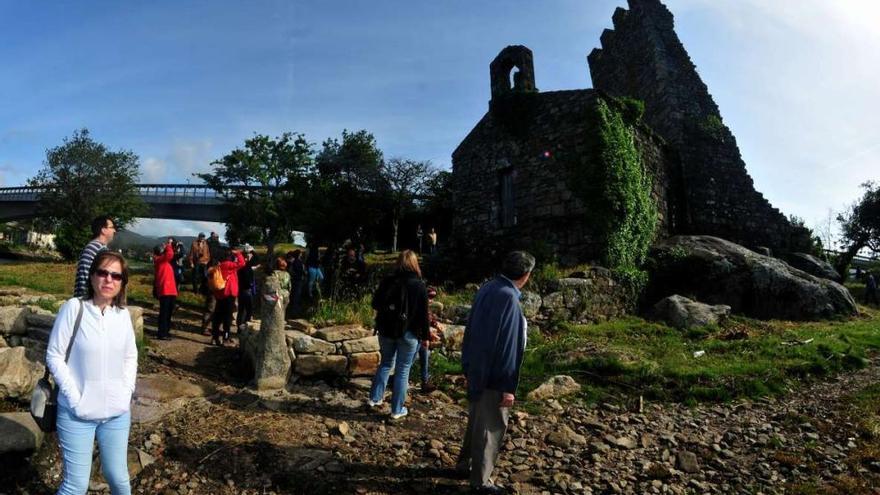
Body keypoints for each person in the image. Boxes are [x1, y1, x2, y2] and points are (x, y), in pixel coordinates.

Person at [47, 251, 138, 495]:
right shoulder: (74, 308)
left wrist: (127, 391)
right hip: (77, 415)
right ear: (92, 276)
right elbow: (54, 355)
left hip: (117, 415)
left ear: (122, 282)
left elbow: (131, 356)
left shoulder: (123, 316)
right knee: (75, 486)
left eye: (116, 276)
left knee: (118, 479)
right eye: (103, 272)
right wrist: (76, 399)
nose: (109, 280)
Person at [457, 251, 535, 494]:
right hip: (493, 375)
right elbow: (507, 347)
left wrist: (467, 366)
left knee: (476, 422)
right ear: (526, 274)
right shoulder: (508, 298)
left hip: (477, 368)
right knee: (490, 427)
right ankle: (480, 481)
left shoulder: (488, 287)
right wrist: (507, 386)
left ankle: (464, 465)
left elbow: (471, 328)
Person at [368, 250, 429, 420]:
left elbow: (375, 303)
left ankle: (375, 399)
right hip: (409, 333)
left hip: (387, 330)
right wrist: (425, 337)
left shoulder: (388, 281)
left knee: (385, 364)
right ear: (415, 263)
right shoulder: (419, 285)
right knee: (403, 370)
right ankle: (396, 409)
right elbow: (423, 315)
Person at [73, 215, 116, 297]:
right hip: (88, 300)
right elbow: (84, 276)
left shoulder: (96, 248)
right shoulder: (96, 249)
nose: (114, 231)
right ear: (103, 230)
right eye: (112, 227)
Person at [210, 248, 245, 346]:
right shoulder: (229, 265)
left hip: (220, 294)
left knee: (217, 316)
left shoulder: (219, 266)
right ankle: (226, 337)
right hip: (229, 293)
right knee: (227, 317)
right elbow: (242, 263)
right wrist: (238, 253)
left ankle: (215, 337)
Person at [411, 286, 442, 393]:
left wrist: (435, 323)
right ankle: (396, 379)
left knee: (424, 360)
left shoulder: (425, 307)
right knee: (411, 360)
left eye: (433, 296)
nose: (431, 299)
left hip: (422, 338)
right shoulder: (417, 305)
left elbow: (429, 318)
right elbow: (420, 322)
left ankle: (425, 383)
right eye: (429, 296)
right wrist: (428, 335)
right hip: (417, 337)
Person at [152, 240, 177, 341]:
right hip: (165, 290)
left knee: (168, 313)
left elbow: (169, 255)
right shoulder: (159, 260)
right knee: (164, 313)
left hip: (170, 290)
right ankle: (162, 333)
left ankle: (165, 331)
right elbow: (170, 254)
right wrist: (168, 245)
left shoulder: (162, 261)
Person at [236, 245, 259, 331]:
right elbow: (257, 258)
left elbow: (256, 259)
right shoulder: (247, 267)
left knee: (241, 310)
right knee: (248, 310)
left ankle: (239, 328)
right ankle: (244, 328)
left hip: (240, 290)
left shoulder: (240, 266)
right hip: (246, 290)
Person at [286, 250, 306, 316]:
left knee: (293, 296)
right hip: (298, 281)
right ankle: (295, 312)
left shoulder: (294, 262)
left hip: (294, 280)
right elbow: (301, 271)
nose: (301, 255)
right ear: (298, 254)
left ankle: (292, 311)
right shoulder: (299, 262)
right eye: (300, 254)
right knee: (296, 296)